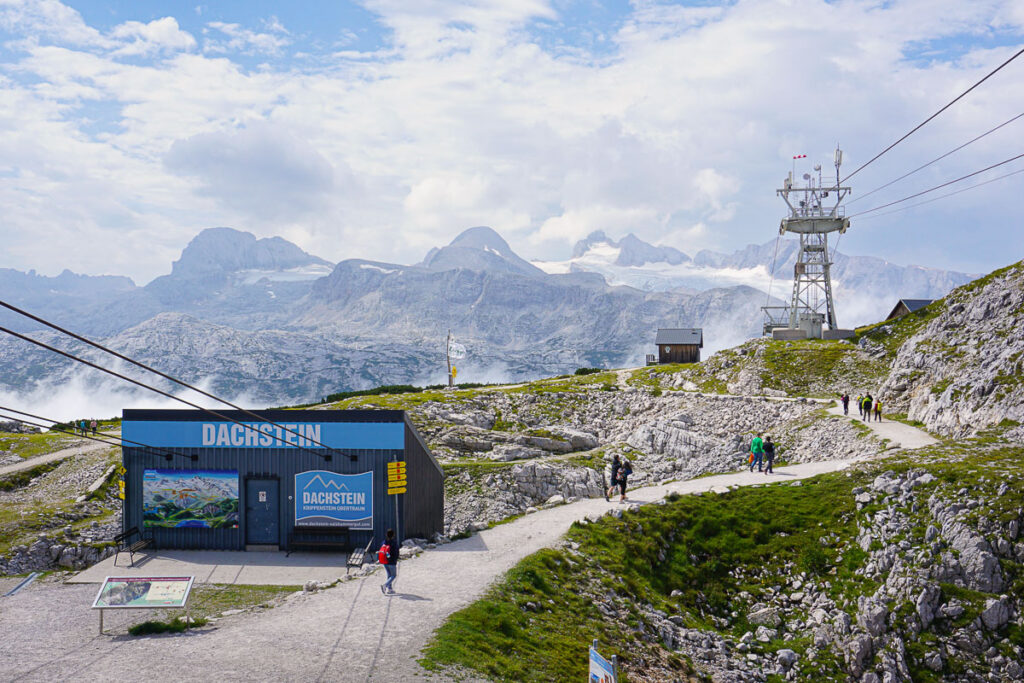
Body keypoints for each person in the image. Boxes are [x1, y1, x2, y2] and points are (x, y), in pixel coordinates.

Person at [380, 528, 399, 594]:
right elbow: (396, 552)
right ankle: (385, 585)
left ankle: (389, 589)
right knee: (393, 575)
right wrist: (396, 559)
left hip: (385, 561)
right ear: (393, 535)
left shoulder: (383, 542)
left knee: (389, 574)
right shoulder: (394, 542)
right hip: (391, 561)